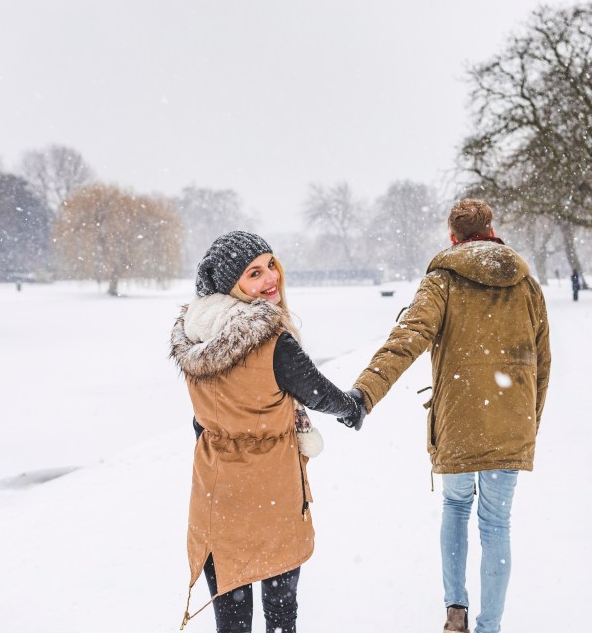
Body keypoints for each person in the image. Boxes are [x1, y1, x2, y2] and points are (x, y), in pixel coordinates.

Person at [351, 200, 551, 633]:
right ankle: (489, 626)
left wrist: (366, 392)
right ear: (491, 229)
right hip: (511, 417)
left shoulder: (440, 282)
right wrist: (527, 421)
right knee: (497, 523)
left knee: (456, 506)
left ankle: (455, 608)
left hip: (460, 417)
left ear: (453, 237)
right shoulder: (526, 286)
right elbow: (543, 362)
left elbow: (406, 340)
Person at [170, 231, 365, 632]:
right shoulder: (272, 342)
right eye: (254, 273)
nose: (269, 278)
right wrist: (353, 407)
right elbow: (318, 393)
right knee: (280, 614)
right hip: (272, 495)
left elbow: (201, 420)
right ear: (231, 285)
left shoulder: (193, 336)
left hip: (215, 496)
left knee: (232, 621)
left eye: (270, 265)